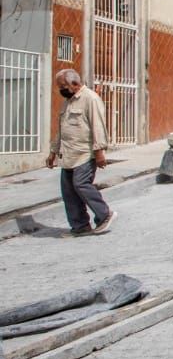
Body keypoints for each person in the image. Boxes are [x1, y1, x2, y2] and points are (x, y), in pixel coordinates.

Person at [46, 69, 117, 237]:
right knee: (68, 191)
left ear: (76, 84)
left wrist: (99, 152)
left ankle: (104, 215)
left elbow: (98, 125)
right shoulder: (68, 102)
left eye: (63, 86)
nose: (61, 90)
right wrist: (52, 152)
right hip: (68, 155)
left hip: (85, 154)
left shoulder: (90, 99)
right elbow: (62, 130)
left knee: (81, 185)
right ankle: (80, 226)